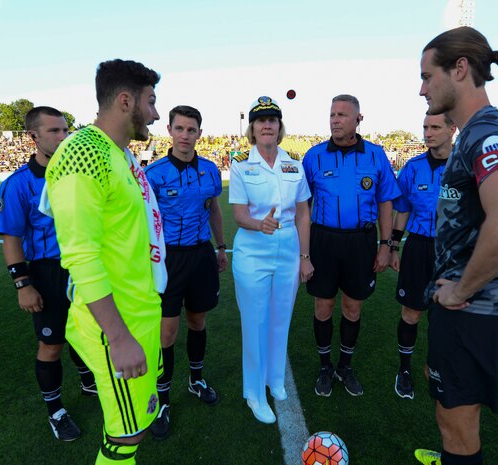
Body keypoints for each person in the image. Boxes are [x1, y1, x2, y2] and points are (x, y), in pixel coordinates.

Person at [414, 27, 498, 465]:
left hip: (472, 309)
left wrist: (461, 290)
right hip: (463, 309)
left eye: (428, 76)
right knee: (450, 417)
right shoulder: (473, 132)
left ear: (460, 69)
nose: (422, 88)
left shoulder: (486, 131)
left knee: (459, 429)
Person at [44, 59, 166, 465]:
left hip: (140, 313)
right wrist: (118, 337)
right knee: (123, 442)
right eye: (150, 101)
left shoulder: (121, 155)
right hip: (116, 327)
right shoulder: (83, 152)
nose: (155, 112)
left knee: (137, 429)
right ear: (126, 100)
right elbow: (81, 255)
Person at [0, 106, 96, 442]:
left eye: (65, 130)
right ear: (33, 137)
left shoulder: (78, 175)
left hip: (84, 268)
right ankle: (56, 411)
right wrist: (23, 285)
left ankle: (89, 382)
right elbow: (11, 239)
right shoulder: (18, 184)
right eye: (54, 131)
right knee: (51, 344)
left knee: (87, 332)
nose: (63, 137)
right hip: (47, 272)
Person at [302, 94, 400, 397]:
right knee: (323, 306)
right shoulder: (314, 156)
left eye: (342, 114)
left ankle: (344, 365)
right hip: (323, 240)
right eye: (332, 114)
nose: (335, 120)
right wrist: (304, 253)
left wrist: (386, 245)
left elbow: (385, 200)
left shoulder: (375, 155)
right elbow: (302, 207)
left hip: (361, 242)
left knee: (352, 307)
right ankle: (324, 366)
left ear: (358, 119)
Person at [144, 105, 227, 440]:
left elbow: (215, 209)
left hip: (202, 255)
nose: (185, 135)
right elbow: (144, 220)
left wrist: (221, 247)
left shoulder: (209, 170)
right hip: (167, 261)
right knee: (166, 334)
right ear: (169, 130)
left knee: (198, 322)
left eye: (191, 130)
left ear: (199, 134)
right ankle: (162, 400)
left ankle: (195, 380)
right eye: (179, 128)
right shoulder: (153, 174)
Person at [229, 96, 313, 424]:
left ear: (280, 128)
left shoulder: (293, 164)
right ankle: (253, 390)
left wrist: (305, 256)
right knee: (256, 322)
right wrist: (258, 223)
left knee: (281, 318)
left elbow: (304, 212)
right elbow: (238, 213)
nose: (267, 124)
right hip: (253, 250)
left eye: (273, 120)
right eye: (261, 120)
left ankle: (275, 379)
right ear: (252, 128)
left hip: (289, 247)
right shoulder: (240, 164)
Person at [390, 113, 456, 400]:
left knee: (448, 316)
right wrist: (393, 245)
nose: (428, 133)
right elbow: (402, 207)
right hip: (417, 247)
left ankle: (440, 369)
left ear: (452, 129)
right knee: (411, 312)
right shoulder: (413, 168)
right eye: (425, 127)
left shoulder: (466, 167)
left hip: (452, 250)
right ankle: (404, 371)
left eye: (435, 127)